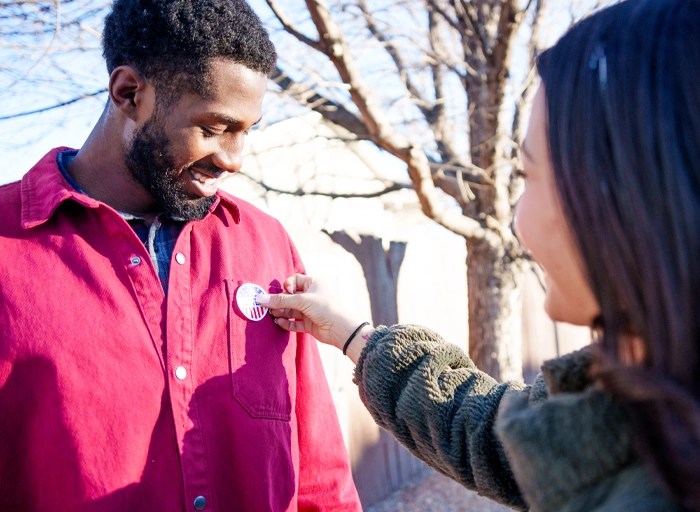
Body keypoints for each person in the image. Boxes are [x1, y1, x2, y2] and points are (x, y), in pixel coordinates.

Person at [258, 0, 700, 510]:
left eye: (529, 176)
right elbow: (494, 433)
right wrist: (356, 335)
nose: (516, 218)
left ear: (623, 194)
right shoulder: (637, 401)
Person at [0, 1, 361, 511]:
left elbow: (321, 477)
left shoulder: (264, 244)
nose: (234, 159)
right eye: (213, 128)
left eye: (247, 131)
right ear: (129, 94)